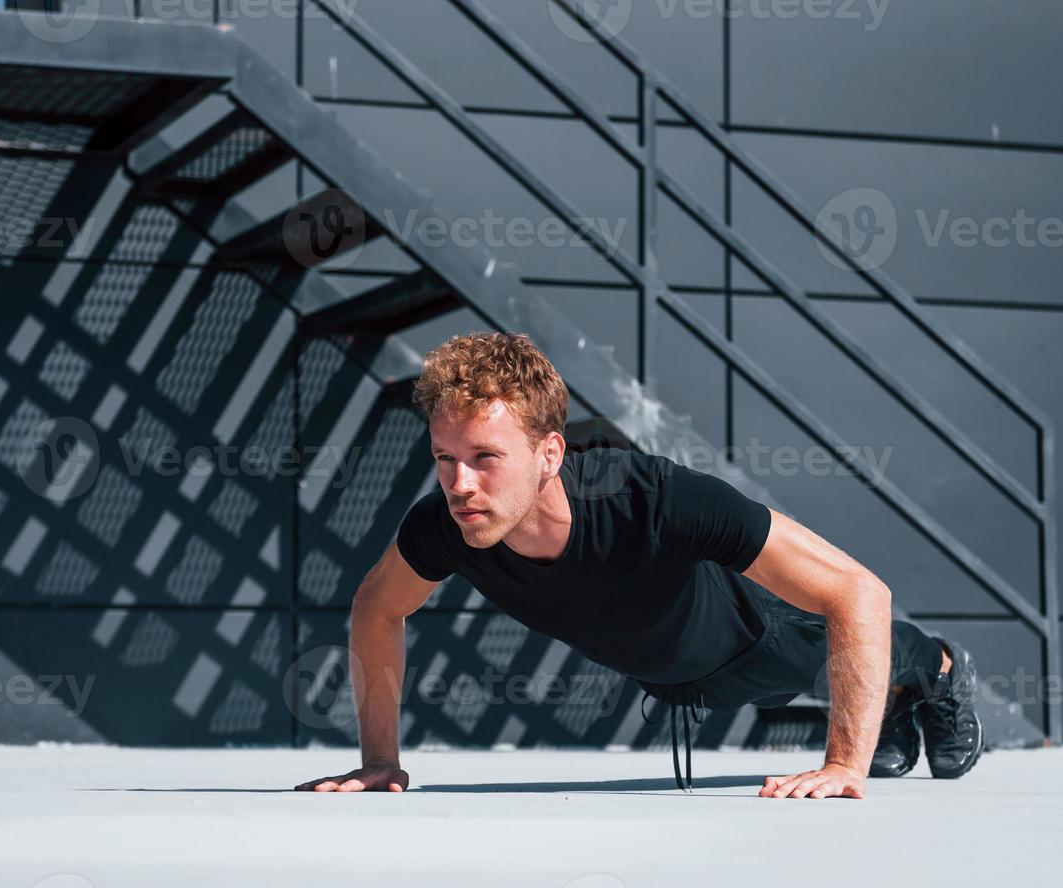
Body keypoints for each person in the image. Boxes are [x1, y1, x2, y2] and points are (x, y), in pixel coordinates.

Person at [295, 332, 981, 799]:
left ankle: (942, 673)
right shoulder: (445, 527)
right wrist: (380, 763)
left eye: (484, 458)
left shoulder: (649, 496)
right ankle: (887, 710)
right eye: (445, 459)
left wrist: (841, 766)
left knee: (869, 651)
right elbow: (377, 608)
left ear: (550, 454)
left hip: (768, 633)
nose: (460, 483)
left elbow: (858, 592)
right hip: (688, 682)